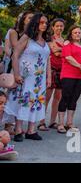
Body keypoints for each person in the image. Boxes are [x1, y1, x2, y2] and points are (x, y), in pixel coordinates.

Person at [4, 13, 51, 142]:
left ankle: (32, 130)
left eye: (46, 23)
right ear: (35, 23)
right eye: (41, 22)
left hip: (39, 78)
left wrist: (49, 76)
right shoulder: (27, 37)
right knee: (23, 101)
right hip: (26, 76)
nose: (44, 25)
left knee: (36, 101)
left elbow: (48, 60)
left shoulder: (45, 41)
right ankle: (19, 130)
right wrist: (17, 74)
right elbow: (15, 55)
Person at [56, 26, 81, 134]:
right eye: (75, 32)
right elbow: (68, 57)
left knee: (74, 99)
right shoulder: (67, 44)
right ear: (71, 34)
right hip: (68, 75)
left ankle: (69, 123)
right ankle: (60, 123)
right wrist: (80, 65)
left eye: (79, 33)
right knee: (65, 97)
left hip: (80, 76)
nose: (77, 34)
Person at [38, 18, 65, 131]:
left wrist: (61, 50)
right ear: (53, 27)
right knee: (47, 97)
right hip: (51, 70)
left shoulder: (64, 40)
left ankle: (52, 121)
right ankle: (41, 122)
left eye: (61, 26)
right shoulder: (49, 39)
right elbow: (56, 52)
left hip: (62, 70)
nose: (59, 28)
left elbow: (61, 52)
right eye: (57, 26)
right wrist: (64, 50)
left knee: (57, 98)